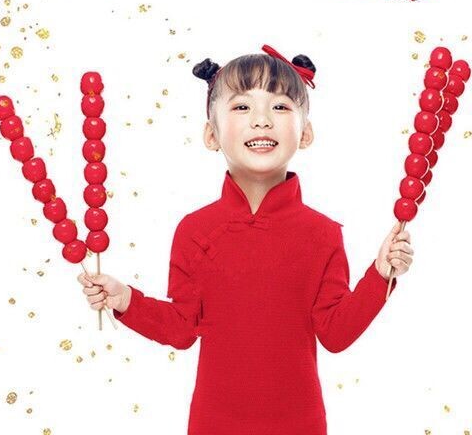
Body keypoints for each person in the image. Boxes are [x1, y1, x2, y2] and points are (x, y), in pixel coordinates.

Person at [77, 44, 414, 435]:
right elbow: (183, 328)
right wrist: (126, 300)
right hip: (213, 424)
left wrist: (380, 274)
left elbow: (335, 334)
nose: (262, 120)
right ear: (211, 134)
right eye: (241, 107)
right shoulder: (194, 231)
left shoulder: (323, 234)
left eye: (280, 106)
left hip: (300, 425)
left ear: (305, 133)